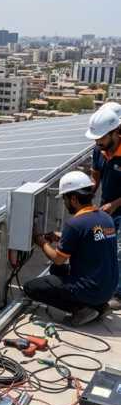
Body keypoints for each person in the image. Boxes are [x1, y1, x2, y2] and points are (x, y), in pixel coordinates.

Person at [25, 171, 118, 326]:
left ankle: (82, 309)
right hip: (108, 288)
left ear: (73, 199)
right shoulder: (105, 217)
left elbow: (58, 259)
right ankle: (101, 306)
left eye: (64, 198)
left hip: (90, 289)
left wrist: (41, 242)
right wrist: (60, 236)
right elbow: (90, 237)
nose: (64, 202)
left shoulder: (75, 224)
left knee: (31, 288)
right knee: (56, 271)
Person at [87, 105, 121, 310]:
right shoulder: (98, 150)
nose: (97, 142)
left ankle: (118, 292)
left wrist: (114, 204)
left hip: (118, 208)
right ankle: (102, 283)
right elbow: (95, 177)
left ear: (115, 131)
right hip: (106, 209)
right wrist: (86, 194)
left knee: (118, 251)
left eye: (101, 137)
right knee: (102, 248)